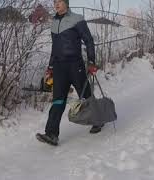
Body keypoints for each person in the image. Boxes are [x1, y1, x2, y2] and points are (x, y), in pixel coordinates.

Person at [36, 0, 104, 146]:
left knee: (85, 96)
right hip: (59, 67)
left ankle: (97, 120)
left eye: (60, 1)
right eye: (55, 2)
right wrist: (50, 67)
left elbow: (89, 40)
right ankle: (51, 134)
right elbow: (55, 48)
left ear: (66, 3)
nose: (57, 4)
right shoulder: (54, 23)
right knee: (58, 100)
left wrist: (91, 61)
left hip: (75, 65)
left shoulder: (77, 19)